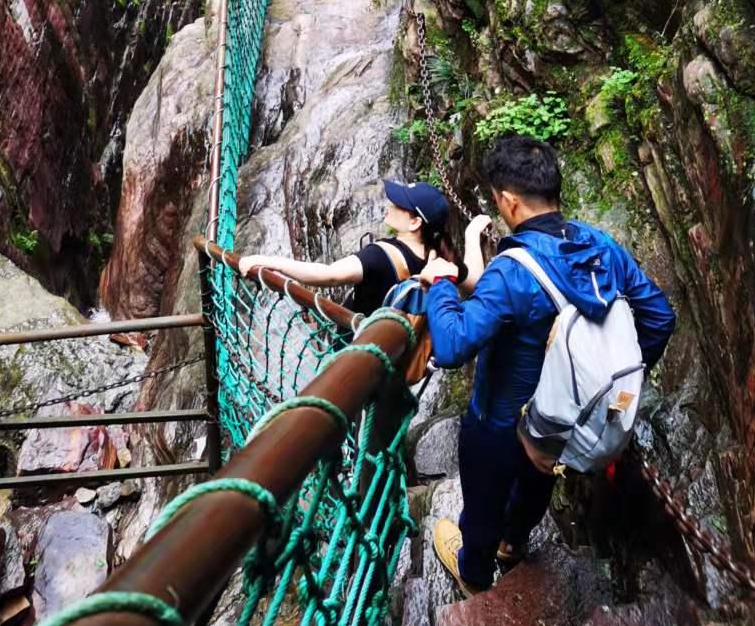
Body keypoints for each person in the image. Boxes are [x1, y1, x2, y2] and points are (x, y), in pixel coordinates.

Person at [420, 134, 676, 597]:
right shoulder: (601, 247)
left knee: (482, 501)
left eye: (498, 200)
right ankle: (513, 544)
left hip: (500, 420)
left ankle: (474, 572)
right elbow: (659, 317)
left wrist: (440, 283)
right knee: (538, 477)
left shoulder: (511, 270)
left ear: (510, 202)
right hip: (564, 420)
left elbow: (455, 343)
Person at [238, 179, 455, 316]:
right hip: (392, 364)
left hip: (354, 354)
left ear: (415, 223)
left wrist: (268, 261)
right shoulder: (433, 260)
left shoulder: (379, 256)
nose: (390, 205)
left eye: (399, 204)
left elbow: (329, 275)